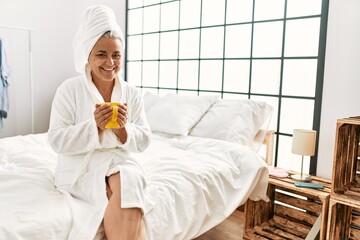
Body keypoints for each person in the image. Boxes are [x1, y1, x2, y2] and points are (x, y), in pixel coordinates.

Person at [48, 5, 151, 240]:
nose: (110, 62)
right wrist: (94, 126)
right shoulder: (69, 90)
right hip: (82, 163)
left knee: (129, 181)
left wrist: (124, 130)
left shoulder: (131, 93)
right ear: (88, 55)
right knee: (121, 192)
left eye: (116, 55)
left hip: (118, 160)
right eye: (101, 54)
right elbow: (56, 140)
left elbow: (145, 139)